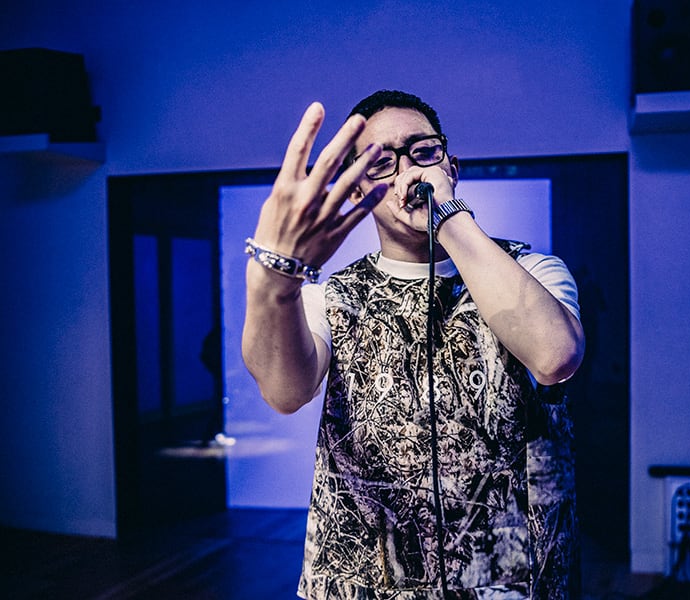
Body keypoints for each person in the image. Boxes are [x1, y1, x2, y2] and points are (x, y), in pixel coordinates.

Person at [241, 90, 586, 599]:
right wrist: (274, 282)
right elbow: (283, 391)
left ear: (451, 167)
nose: (407, 172)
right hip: (368, 578)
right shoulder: (331, 298)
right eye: (381, 163)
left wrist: (448, 215)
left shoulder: (533, 270)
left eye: (423, 151)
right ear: (358, 191)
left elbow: (555, 357)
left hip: (508, 576)